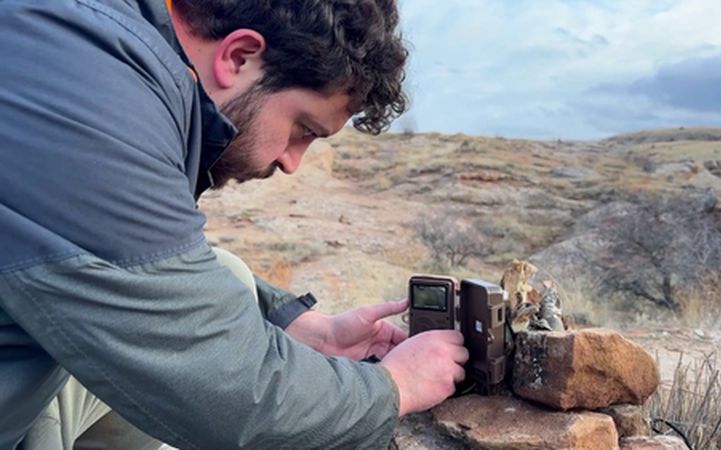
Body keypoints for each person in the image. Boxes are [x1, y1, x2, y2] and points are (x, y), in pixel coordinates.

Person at [0, 0, 469, 448]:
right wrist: (394, 388)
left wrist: (296, 328)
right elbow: (232, 395)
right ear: (240, 56)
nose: (292, 162)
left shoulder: (97, 44)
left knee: (231, 275)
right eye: (303, 129)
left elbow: (149, 266)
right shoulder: (87, 93)